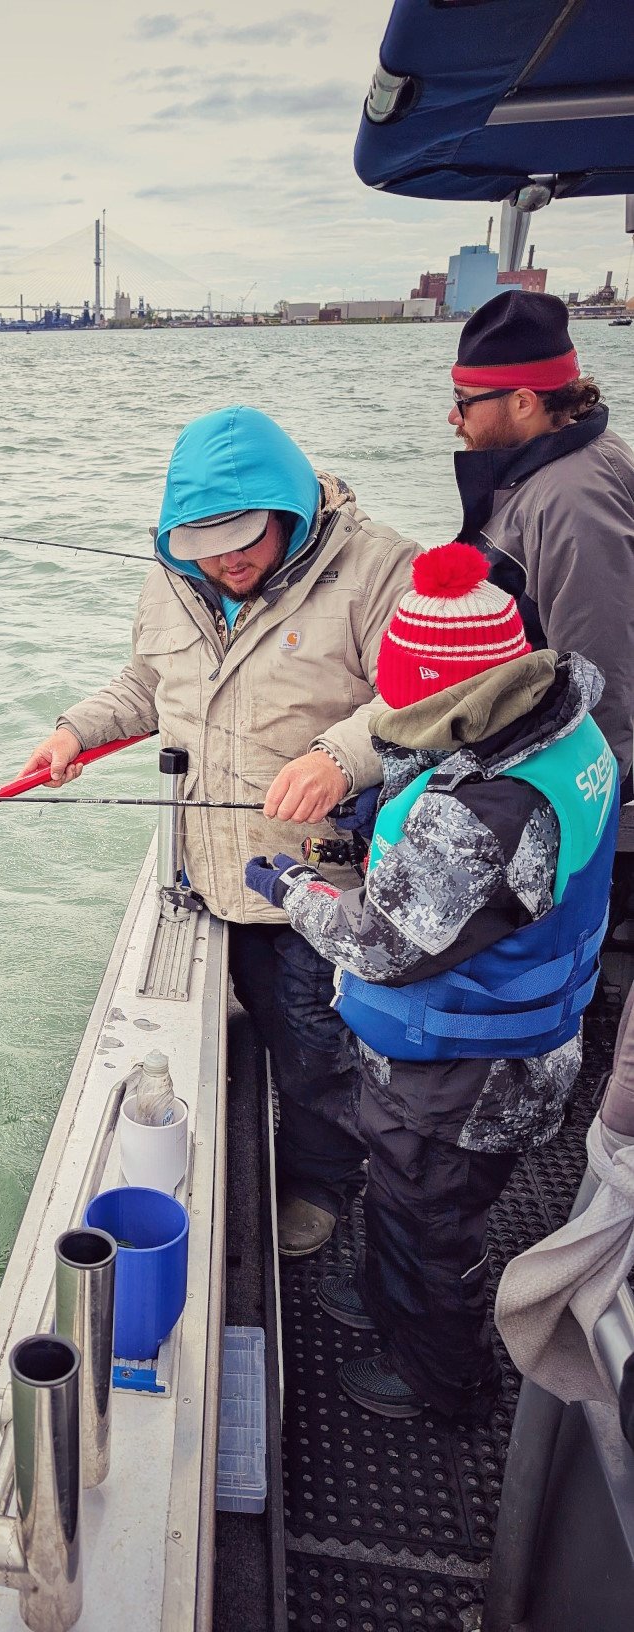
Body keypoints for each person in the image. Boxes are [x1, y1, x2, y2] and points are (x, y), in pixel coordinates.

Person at [22, 405, 418, 1256]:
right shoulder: (174, 576)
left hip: (322, 883)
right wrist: (75, 731)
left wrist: (338, 756)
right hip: (207, 873)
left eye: (244, 538)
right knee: (263, 1029)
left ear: (292, 512)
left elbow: (426, 696)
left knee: (318, 1053)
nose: (228, 560)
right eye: (205, 543)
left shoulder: (383, 567)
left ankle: (321, 1183)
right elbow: (145, 683)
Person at [245, 543, 619, 1419]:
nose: (391, 719)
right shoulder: (565, 726)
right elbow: (496, 871)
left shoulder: (475, 815)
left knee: (431, 1222)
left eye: (404, 703)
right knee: (409, 1191)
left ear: (455, 698)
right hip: (516, 1043)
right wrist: (378, 819)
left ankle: (441, 1380)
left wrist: (291, 885)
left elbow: (378, 944)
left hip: (464, 1071)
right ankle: (386, 1298)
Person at [449, 288, 634, 784]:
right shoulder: (559, 462)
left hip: (565, 776)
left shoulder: (575, 504)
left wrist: (582, 797)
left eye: (463, 403)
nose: (453, 418)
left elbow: (600, 679)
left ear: (524, 402)